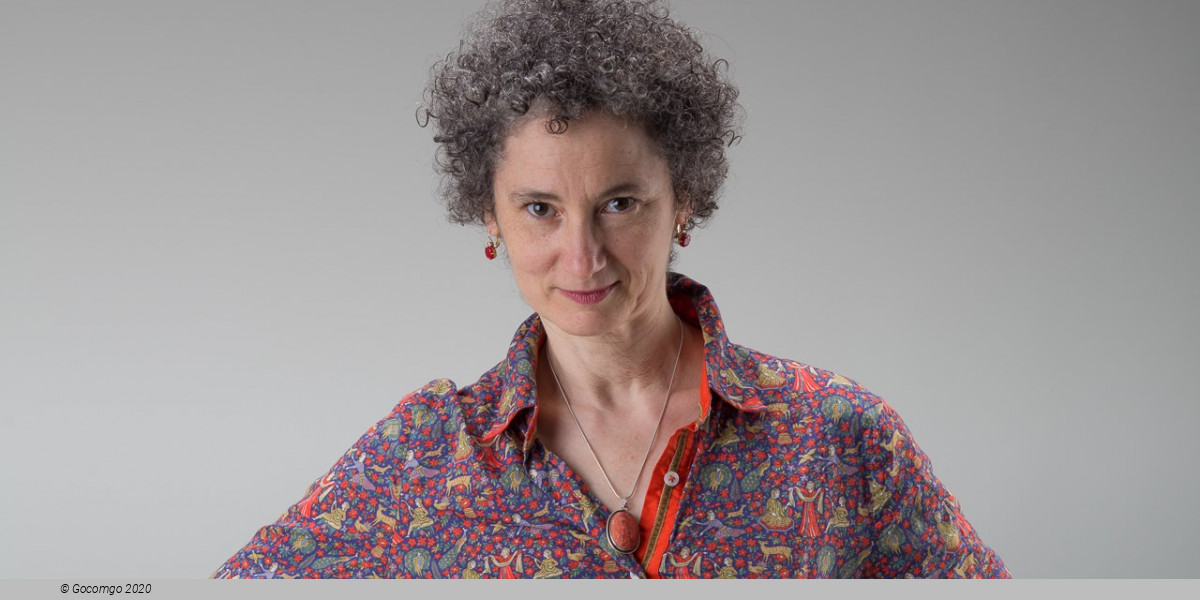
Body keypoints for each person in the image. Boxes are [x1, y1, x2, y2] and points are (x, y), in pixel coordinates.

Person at [212, 0, 1010, 579]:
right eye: (540, 209)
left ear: (684, 200)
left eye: (619, 204)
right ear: (491, 217)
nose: (582, 255)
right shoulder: (428, 454)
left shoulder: (837, 436)